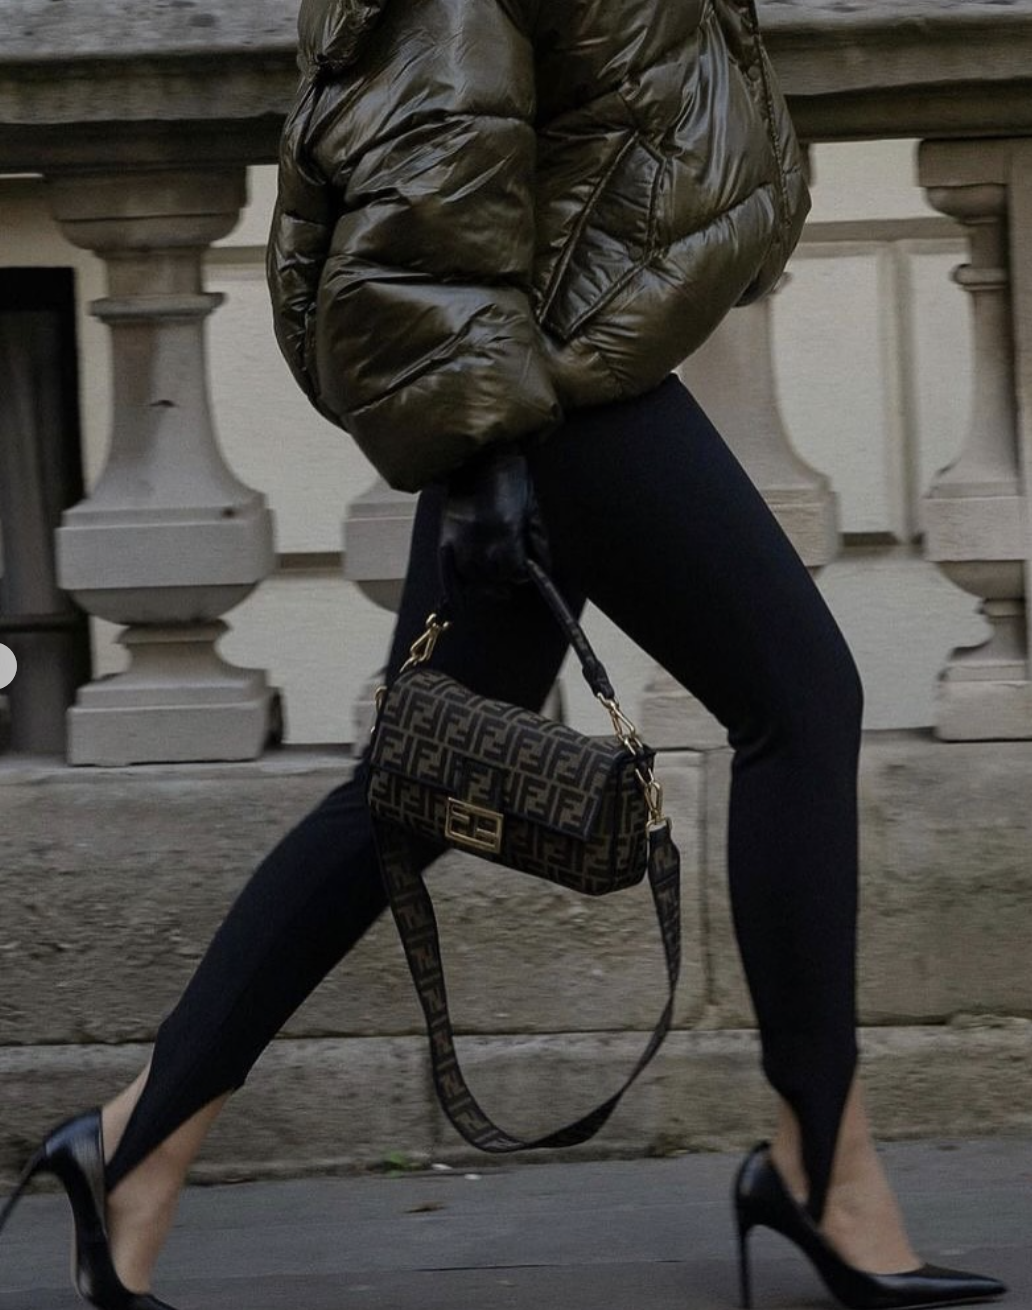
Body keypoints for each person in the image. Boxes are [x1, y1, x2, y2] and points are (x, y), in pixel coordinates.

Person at [0, 1, 1009, 1308]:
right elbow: (432, 136)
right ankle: (829, 1168)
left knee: (410, 789)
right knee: (801, 702)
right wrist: (478, 443)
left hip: (549, 348)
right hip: (545, 374)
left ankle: (134, 1141)